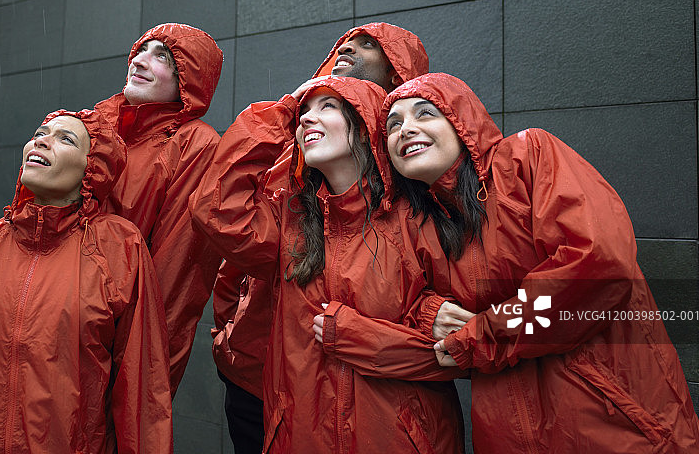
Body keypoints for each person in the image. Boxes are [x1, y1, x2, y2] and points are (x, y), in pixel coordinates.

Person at [384, 73, 699, 453]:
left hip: (614, 422)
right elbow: (395, 294)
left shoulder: (527, 156)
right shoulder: (422, 222)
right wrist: (429, 312)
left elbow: (595, 265)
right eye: (394, 124)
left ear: (462, 122)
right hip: (508, 435)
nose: (406, 129)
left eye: (425, 113)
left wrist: (486, 333)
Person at [192, 75, 464, 454]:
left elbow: (467, 350)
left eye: (328, 106)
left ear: (365, 123)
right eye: (304, 112)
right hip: (299, 435)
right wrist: (284, 111)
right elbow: (217, 210)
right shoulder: (290, 220)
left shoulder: (418, 218)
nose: (306, 118)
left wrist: (357, 336)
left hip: (400, 439)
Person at [0, 110, 173, 454]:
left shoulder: (120, 249)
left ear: (93, 168)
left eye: (66, 139)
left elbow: (143, 391)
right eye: (40, 133)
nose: (41, 141)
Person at [94, 23, 223, 391]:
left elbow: (175, 273)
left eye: (162, 56)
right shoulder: (95, 125)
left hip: (113, 337)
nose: (140, 60)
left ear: (188, 81)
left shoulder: (195, 145)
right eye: (141, 49)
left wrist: (138, 372)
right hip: (55, 317)